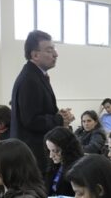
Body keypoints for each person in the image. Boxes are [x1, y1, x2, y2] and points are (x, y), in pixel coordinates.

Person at [10, 30, 74, 172]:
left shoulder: (37, 76)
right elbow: (31, 120)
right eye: (49, 50)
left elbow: (39, 111)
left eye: (54, 49)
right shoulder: (29, 80)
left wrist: (59, 114)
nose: (55, 54)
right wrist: (59, 119)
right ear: (35, 55)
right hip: (33, 154)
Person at [44, 126, 84, 197]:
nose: (51, 155)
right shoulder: (55, 165)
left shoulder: (78, 169)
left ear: (67, 149)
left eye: (55, 151)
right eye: (49, 150)